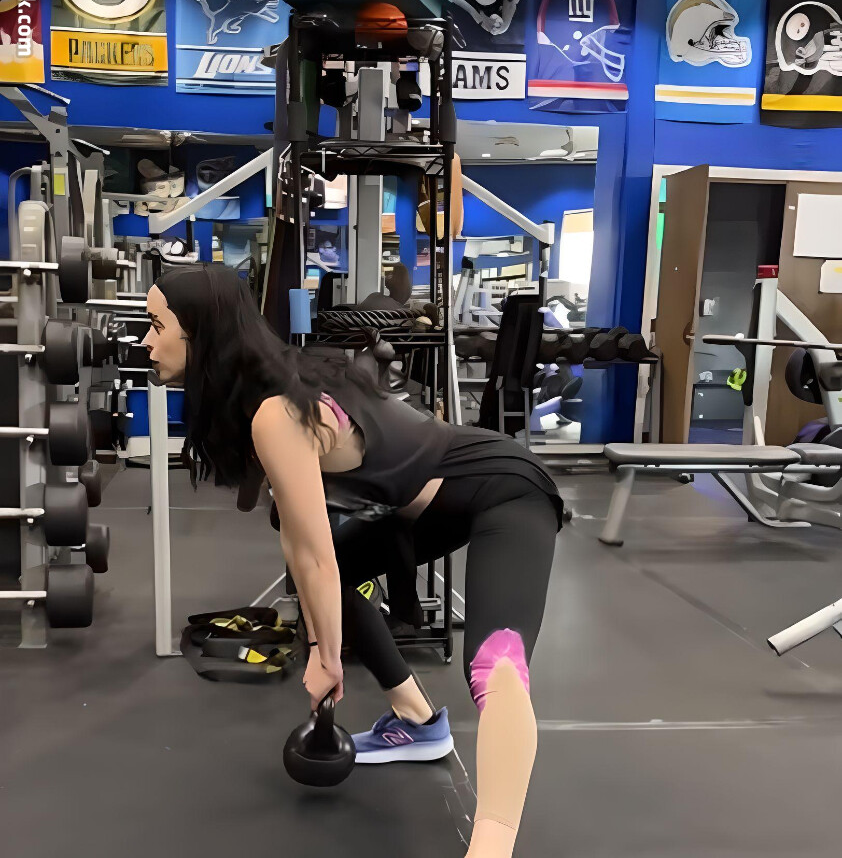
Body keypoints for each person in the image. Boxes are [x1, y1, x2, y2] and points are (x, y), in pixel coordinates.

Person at [142, 263, 565, 858]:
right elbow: (300, 544)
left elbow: (315, 556)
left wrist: (326, 657)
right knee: (332, 577)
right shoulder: (264, 399)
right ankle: (417, 721)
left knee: (495, 663)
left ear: (200, 331)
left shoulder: (276, 411)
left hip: (505, 487)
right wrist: (322, 644)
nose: (146, 340)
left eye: (157, 325)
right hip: (423, 509)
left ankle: (491, 848)